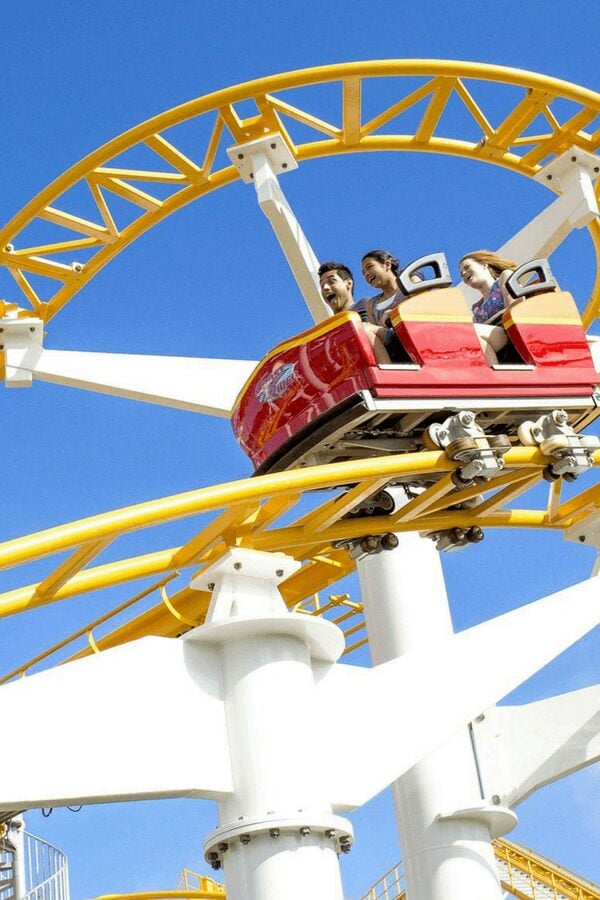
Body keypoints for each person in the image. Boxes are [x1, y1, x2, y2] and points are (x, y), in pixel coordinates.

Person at [318, 261, 392, 363]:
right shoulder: (329, 330)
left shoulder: (366, 304)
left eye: (331, 282)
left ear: (348, 284)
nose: (325, 288)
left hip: (387, 353)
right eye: (322, 286)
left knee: (362, 329)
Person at [459, 250, 517, 364]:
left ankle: (494, 375)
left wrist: (483, 324)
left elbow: (513, 307)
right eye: (461, 273)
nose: (464, 273)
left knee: (470, 332)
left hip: (508, 331)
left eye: (467, 267)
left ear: (484, 265)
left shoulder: (504, 277)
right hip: (488, 337)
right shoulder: (476, 308)